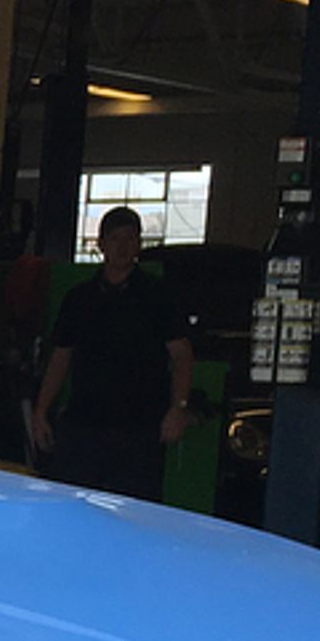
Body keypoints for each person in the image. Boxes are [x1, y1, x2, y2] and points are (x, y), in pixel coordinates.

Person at [34, 205, 198, 503]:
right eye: (114, 238)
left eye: (130, 239)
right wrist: (41, 411)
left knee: (134, 512)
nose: (122, 247)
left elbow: (182, 356)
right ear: (100, 244)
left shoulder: (158, 296)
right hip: (85, 423)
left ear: (139, 245)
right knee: (73, 505)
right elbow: (60, 357)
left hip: (140, 427)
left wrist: (179, 408)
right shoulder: (79, 298)